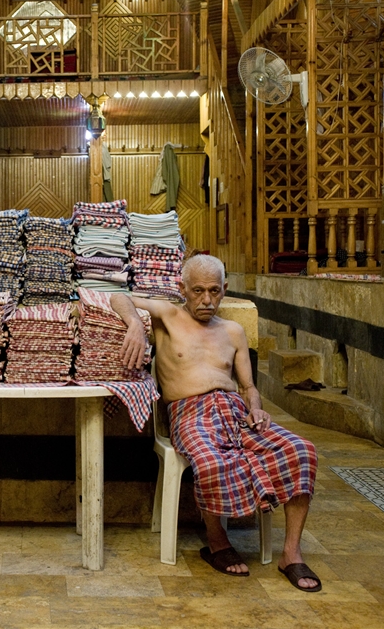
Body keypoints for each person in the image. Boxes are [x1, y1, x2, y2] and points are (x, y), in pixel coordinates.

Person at [110, 253, 321, 592]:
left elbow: (248, 386)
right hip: (190, 413)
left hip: (236, 411)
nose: (206, 300)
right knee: (210, 462)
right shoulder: (168, 315)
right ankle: (218, 542)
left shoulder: (233, 331)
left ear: (225, 289)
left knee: (301, 450)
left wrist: (256, 408)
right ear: (182, 289)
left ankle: (291, 553)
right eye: (197, 291)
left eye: (214, 291)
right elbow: (117, 295)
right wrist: (136, 324)